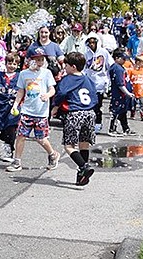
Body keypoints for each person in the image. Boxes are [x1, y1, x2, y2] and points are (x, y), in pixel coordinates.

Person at [5, 49, 60, 173]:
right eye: (37, 60)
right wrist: (15, 105)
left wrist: (47, 95)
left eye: (42, 60)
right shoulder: (24, 74)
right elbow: (21, 91)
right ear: (30, 60)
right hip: (27, 110)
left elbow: (52, 89)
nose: (39, 62)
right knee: (21, 136)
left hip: (41, 112)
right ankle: (17, 161)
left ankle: (52, 154)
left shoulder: (46, 73)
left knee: (40, 138)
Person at [54, 52, 99, 186]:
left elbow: (61, 93)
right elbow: (95, 96)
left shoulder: (68, 79)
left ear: (73, 67)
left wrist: (56, 106)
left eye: (66, 65)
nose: (65, 68)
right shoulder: (88, 79)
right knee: (83, 143)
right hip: (89, 113)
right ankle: (81, 176)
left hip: (75, 113)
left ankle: (83, 166)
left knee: (69, 145)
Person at [0, 53, 22, 163]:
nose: (12, 66)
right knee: (1, 130)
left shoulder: (20, 77)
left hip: (14, 106)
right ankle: (6, 143)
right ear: (5, 64)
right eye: (10, 63)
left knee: (11, 127)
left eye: (14, 64)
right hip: (1, 106)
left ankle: (9, 150)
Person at [82, 35, 112, 131]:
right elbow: (83, 68)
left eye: (93, 42)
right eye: (90, 43)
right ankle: (88, 124)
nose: (91, 45)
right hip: (89, 83)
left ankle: (98, 123)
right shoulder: (86, 53)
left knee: (98, 105)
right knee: (88, 106)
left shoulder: (104, 52)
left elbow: (110, 65)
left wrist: (108, 80)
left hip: (100, 83)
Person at [106, 49, 136, 136]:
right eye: (123, 58)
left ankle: (126, 128)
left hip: (122, 95)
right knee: (116, 112)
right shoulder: (117, 68)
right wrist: (128, 93)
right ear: (117, 58)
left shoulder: (120, 67)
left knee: (123, 112)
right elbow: (120, 84)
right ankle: (112, 129)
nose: (124, 60)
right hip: (119, 94)